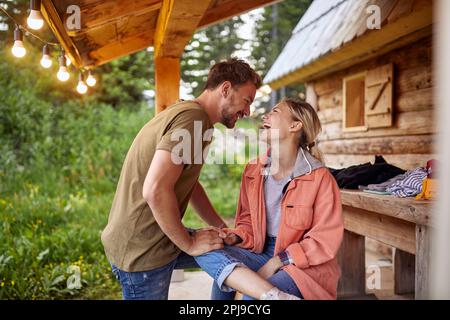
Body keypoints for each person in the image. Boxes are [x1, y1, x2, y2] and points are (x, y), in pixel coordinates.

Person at [101, 58, 262, 300]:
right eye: (247, 100)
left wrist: (221, 228)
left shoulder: (199, 122)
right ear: (225, 89)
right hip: (142, 247)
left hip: (155, 236)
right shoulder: (192, 118)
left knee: (227, 252)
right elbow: (155, 189)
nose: (248, 111)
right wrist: (188, 243)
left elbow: (190, 185)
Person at [194, 98, 344, 300]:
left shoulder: (320, 178)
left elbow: (323, 240)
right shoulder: (253, 170)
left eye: (275, 111)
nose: (265, 115)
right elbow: (247, 221)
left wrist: (278, 261)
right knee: (213, 254)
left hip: (301, 264)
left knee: (252, 297)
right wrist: (234, 237)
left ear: (295, 125)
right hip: (260, 248)